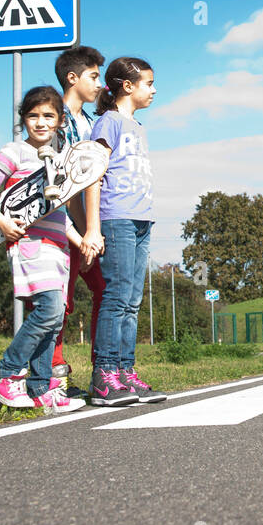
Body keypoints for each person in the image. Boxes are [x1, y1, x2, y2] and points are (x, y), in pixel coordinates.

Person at [0, 85, 101, 413]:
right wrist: (0, 223)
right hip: (29, 245)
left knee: (55, 318)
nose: (40, 122)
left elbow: (58, 217)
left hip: (57, 247)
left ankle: (42, 390)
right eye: (33, 116)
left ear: (59, 121)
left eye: (48, 116)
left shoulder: (59, 160)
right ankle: (8, 374)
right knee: (50, 310)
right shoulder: (13, 152)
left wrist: (82, 241)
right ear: (23, 120)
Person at [88, 56, 167, 406]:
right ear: (128, 86)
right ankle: (104, 375)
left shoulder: (138, 127)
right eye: (148, 83)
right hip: (116, 217)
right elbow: (92, 174)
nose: (154, 90)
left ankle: (125, 373)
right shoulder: (109, 122)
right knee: (117, 296)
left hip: (142, 219)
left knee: (133, 302)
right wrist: (93, 227)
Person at [44, 45, 108, 395]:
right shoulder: (57, 122)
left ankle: (104, 369)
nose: (99, 84)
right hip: (60, 226)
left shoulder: (90, 123)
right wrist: (79, 234)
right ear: (73, 78)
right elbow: (60, 185)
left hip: (85, 226)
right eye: (93, 76)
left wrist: (90, 231)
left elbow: (90, 183)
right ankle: (54, 373)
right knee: (61, 302)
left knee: (103, 289)